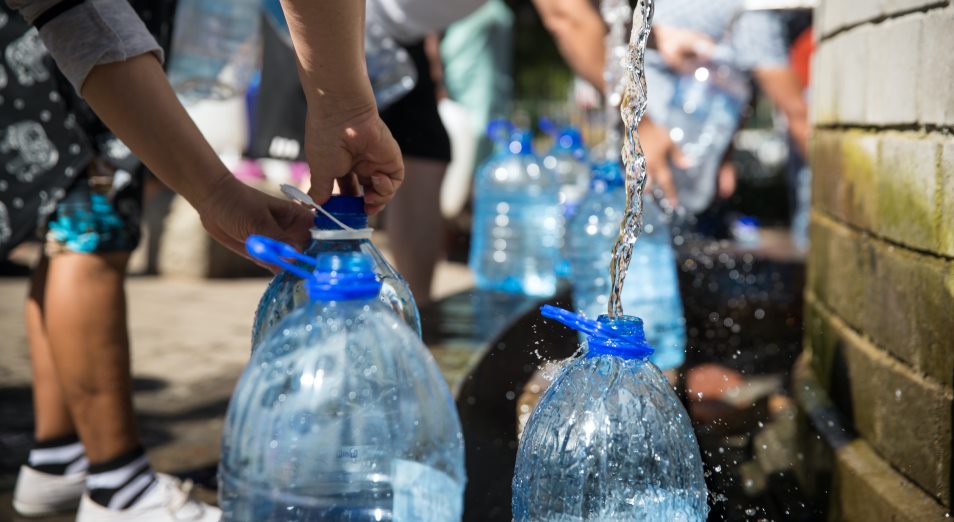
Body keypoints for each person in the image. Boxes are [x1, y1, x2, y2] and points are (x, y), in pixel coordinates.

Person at [4, 0, 403, 519]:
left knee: (63, 220)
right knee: (92, 223)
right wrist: (347, 111)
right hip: (75, 46)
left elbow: (75, 10)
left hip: (59, 34)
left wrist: (216, 193)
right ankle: (116, 485)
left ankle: (58, 456)